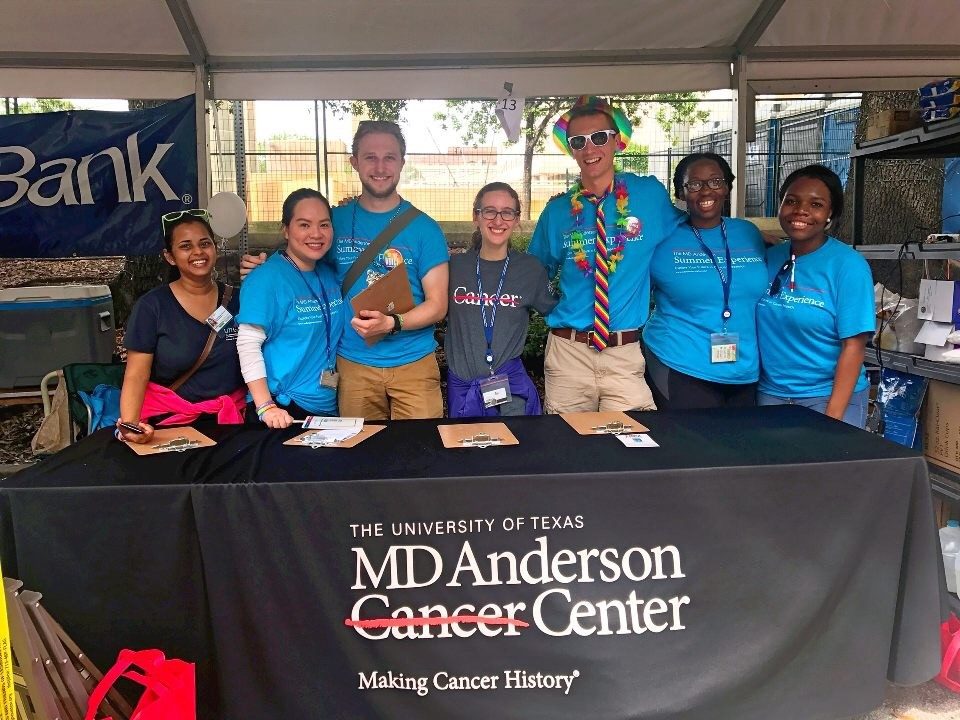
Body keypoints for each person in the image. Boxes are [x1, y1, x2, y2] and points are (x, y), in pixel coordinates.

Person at [242, 121, 448, 421]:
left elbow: (438, 304)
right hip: (352, 365)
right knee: (358, 457)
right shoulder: (331, 221)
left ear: (403, 161)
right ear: (354, 162)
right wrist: (265, 269)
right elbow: (301, 257)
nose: (380, 166)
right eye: (369, 157)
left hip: (412, 363)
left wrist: (392, 323)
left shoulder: (425, 229)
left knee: (420, 454)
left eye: (389, 157)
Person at [529, 95, 683, 413]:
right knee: (566, 447)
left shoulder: (649, 195)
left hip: (624, 353)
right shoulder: (557, 211)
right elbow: (533, 270)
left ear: (616, 141)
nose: (590, 148)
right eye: (578, 141)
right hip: (568, 353)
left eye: (599, 137)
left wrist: (748, 236)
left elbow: (692, 228)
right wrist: (551, 309)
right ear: (571, 148)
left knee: (633, 448)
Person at [642, 153, 769, 409]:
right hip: (679, 362)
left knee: (738, 446)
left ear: (727, 187)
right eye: (694, 184)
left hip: (744, 368)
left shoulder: (748, 233)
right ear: (681, 192)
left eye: (714, 181)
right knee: (690, 446)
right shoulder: (662, 238)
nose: (705, 191)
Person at [756, 164, 874, 427]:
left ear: (831, 213)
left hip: (826, 398)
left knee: (826, 469)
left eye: (816, 204)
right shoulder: (769, 258)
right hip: (770, 396)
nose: (801, 211)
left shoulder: (848, 266)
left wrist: (833, 418)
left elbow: (854, 346)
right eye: (792, 201)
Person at [117, 209, 245, 444]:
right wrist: (131, 425)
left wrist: (262, 274)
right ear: (170, 257)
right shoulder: (152, 306)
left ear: (215, 248)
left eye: (204, 243)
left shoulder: (240, 300)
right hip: (169, 422)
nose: (198, 252)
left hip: (232, 423)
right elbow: (136, 374)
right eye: (185, 246)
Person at [445, 182, 557, 417]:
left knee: (514, 451)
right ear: (476, 216)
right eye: (489, 211)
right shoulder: (453, 268)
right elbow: (427, 306)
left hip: (510, 390)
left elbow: (561, 313)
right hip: (463, 389)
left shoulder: (530, 270)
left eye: (507, 212)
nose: (498, 220)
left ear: (516, 219)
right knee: (466, 452)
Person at [236, 188, 345, 428]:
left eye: (324, 225)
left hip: (326, 403)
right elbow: (247, 343)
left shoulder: (328, 273)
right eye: (304, 225)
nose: (316, 234)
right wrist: (265, 406)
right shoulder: (266, 279)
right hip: (283, 409)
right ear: (286, 229)